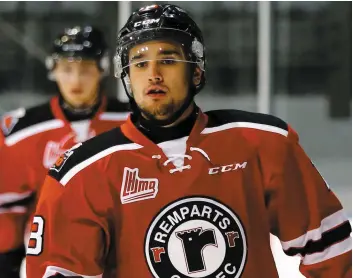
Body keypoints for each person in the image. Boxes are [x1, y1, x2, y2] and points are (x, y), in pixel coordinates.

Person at [26, 4, 352, 278]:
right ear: (126, 77)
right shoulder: (81, 172)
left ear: (196, 72)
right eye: (139, 63)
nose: (153, 73)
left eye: (168, 60)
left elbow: (329, 249)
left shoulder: (262, 143)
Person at [0, 25, 129, 277]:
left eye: (85, 69)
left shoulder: (131, 121)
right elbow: (7, 204)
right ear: (53, 69)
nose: (75, 80)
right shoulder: (22, 130)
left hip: (121, 252)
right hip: (49, 255)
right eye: (67, 69)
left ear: (102, 68)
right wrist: (8, 258)